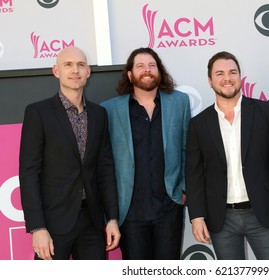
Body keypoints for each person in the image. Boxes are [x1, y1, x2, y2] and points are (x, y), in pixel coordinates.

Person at [185, 51, 269, 260]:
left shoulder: (266, 112)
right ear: (210, 81)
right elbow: (193, 174)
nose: (227, 78)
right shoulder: (198, 124)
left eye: (232, 72)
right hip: (221, 218)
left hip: (263, 212)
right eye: (219, 73)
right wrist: (197, 216)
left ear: (240, 77)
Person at [19, 46, 120, 260]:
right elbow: (29, 173)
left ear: (88, 72)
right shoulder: (38, 112)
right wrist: (37, 227)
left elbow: (105, 169)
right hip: (53, 223)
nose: (75, 70)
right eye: (68, 64)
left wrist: (111, 218)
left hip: (92, 222)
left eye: (81, 65)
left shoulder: (99, 114)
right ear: (56, 71)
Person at [100, 47, 191, 260]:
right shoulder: (109, 110)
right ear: (130, 75)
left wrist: (184, 189)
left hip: (169, 207)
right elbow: (105, 163)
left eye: (152, 65)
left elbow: (188, 148)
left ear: (159, 71)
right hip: (130, 211)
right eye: (140, 66)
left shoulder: (179, 102)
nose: (147, 70)